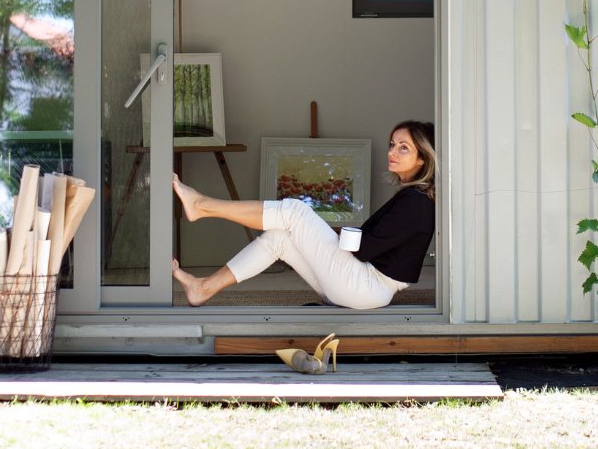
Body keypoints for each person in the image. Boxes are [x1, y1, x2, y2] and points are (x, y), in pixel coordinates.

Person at [170, 120, 436, 310]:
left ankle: (203, 205)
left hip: (366, 287)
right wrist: (323, 235)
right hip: (362, 286)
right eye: (392, 144)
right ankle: (203, 289)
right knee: (279, 238)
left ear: (422, 158)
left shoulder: (415, 201)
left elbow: (365, 249)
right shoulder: (414, 197)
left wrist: (324, 233)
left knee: (295, 211)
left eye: (403, 147)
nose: (392, 151)